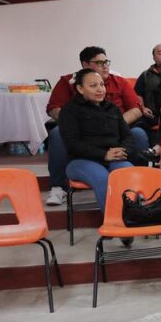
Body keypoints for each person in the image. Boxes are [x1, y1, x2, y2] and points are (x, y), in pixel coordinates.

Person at [45, 46, 151, 205]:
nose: (105, 66)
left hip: (114, 138)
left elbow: (135, 111)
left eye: (106, 62)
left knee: (130, 161)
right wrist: (78, 124)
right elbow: (55, 110)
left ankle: (137, 195)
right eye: (100, 63)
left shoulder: (113, 103)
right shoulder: (69, 96)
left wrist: (116, 133)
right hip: (84, 149)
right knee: (58, 134)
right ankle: (59, 187)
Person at [58, 69, 135, 217]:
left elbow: (128, 136)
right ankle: (116, 222)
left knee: (128, 172)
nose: (100, 89)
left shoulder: (112, 108)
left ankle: (133, 217)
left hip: (114, 158)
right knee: (102, 178)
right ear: (80, 88)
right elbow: (72, 143)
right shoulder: (69, 110)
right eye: (93, 86)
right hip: (81, 161)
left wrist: (122, 150)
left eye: (102, 85)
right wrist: (104, 154)